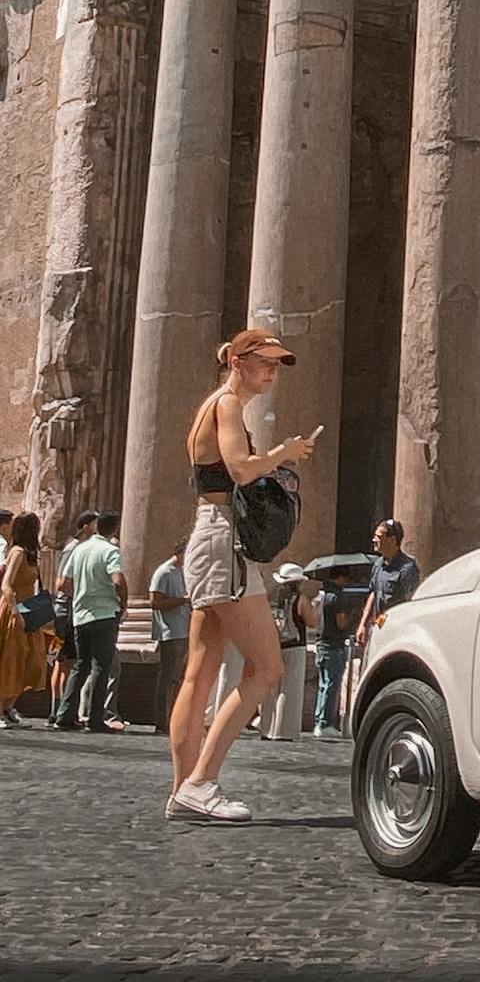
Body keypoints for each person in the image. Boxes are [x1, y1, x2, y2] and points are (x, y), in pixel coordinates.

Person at [166, 328, 320, 824]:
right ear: (236, 360)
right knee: (267, 669)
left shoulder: (213, 403)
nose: (273, 372)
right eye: (265, 363)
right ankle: (201, 782)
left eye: (278, 365)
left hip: (209, 537)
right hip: (223, 542)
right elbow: (239, 469)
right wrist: (284, 453)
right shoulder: (228, 405)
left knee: (199, 674)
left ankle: (183, 790)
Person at [64, 511, 128, 733]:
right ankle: (95, 718)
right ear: (115, 528)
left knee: (80, 666)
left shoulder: (79, 549)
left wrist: (80, 596)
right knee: (101, 667)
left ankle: (64, 715)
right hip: (103, 614)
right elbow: (118, 580)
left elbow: (63, 582)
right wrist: (123, 602)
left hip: (81, 615)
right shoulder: (110, 551)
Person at [48, 508, 99, 730]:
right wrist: (81, 593)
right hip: (67, 612)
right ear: (87, 526)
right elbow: (61, 582)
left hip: (66, 610)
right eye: (95, 523)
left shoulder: (77, 547)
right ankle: (59, 711)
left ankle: (56, 711)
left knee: (63, 664)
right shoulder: (74, 549)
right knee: (66, 664)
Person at [0, 511, 52, 726]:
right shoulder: (18, 552)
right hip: (15, 612)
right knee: (10, 660)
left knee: (31, 660)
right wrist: (15, 612)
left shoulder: (30, 554)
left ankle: (9, 706)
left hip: (30, 612)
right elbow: (6, 584)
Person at [258, 564, 317, 741]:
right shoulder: (300, 600)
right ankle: (284, 730)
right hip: (294, 646)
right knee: (290, 689)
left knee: (271, 690)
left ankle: (267, 728)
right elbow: (312, 622)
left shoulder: (273, 598)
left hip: (274, 645)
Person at [312, 565, 362, 740]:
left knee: (323, 684)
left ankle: (319, 720)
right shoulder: (337, 598)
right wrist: (353, 615)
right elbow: (341, 623)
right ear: (340, 577)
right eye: (346, 579)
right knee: (332, 684)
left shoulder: (321, 595)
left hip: (321, 643)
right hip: (334, 644)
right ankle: (325, 723)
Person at [355, 520, 420, 651]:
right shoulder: (378, 565)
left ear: (392, 540)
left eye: (378, 537)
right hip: (378, 628)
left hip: (397, 632)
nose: (374, 540)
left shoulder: (407, 567)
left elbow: (411, 603)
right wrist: (363, 624)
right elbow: (373, 594)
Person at [148, 541, 191, 736]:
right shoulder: (164, 572)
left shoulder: (182, 571)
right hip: (170, 631)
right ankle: (162, 720)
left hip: (183, 629)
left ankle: (175, 717)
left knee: (178, 677)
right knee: (167, 677)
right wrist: (182, 600)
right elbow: (154, 602)